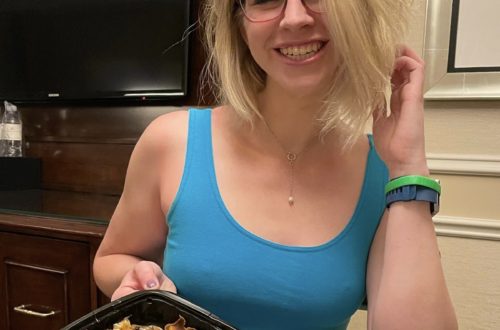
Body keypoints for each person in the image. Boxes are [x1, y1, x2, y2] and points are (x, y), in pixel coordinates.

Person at [93, 0, 458, 329]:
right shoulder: (170, 142)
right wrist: (139, 280)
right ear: (240, 25)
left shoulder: (383, 172)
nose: (295, 18)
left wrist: (408, 165)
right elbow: (112, 258)